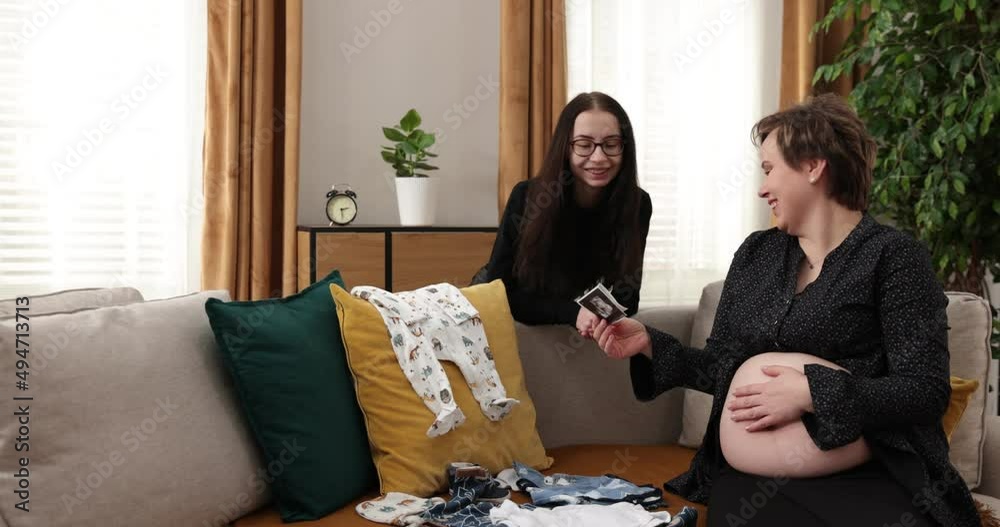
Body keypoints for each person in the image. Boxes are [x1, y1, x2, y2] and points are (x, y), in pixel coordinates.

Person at [592, 94, 981, 526]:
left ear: (813, 166)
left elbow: (925, 391)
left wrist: (811, 392)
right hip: (755, 481)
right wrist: (648, 344)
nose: (762, 188)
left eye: (769, 169)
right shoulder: (755, 254)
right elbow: (721, 369)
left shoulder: (894, 258)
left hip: (872, 470)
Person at [483, 91, 652, 337]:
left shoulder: (638, 204)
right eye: (584, 145)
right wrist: (573, 313)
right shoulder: (527, 197)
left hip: (578, 334)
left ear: (624, 148)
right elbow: (498, 293)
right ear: (565, 147)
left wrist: (595, 316)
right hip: (503, 319)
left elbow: (628, 299)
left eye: (611, 144)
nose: (598, 157)